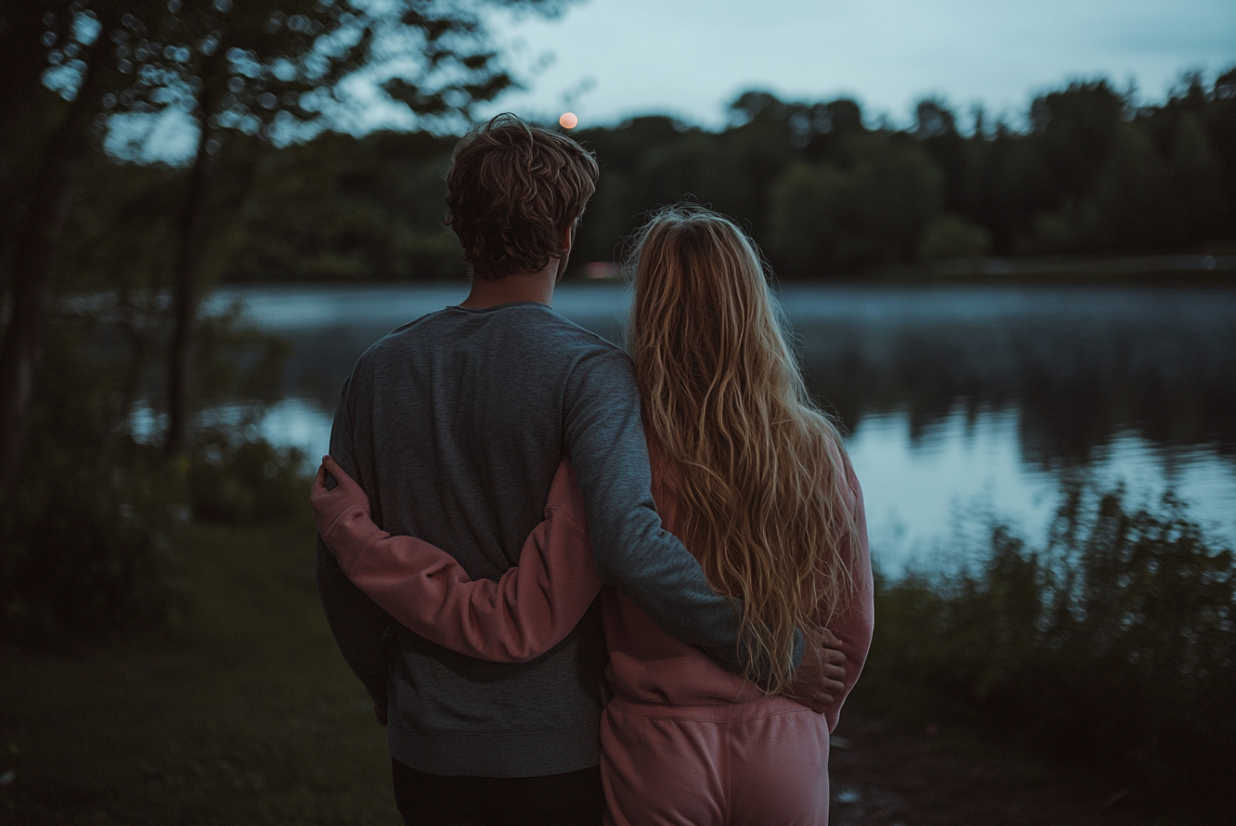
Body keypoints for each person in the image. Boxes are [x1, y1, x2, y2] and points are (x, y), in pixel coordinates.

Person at [315, 118, 845, 826]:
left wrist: (385, 683)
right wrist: (766, 649)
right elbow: (629, 542)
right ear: (568, 234)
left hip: (426, 743)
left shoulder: (377, 371)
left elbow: (338, 567)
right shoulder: (591, 374)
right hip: (557, 748)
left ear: (458, 226)